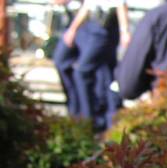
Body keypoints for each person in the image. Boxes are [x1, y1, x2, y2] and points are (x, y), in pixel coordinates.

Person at [52, 0, 130, 131]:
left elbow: (120, 4)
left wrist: (125, 31)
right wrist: (73, 29)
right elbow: (87, 6)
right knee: (105, 75)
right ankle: (93, 118)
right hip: (92, 26)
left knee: (84, 73)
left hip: (103, 28)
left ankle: (89, 119)